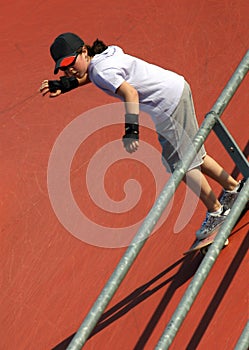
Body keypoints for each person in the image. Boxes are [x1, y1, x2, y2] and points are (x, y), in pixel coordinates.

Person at [40, 32, 244, 240]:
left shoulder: (101, 71)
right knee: (191, 153)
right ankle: (233, 188)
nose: (69, 70)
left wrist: (131, 130)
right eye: (64, 68)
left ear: (83, 51)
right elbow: (97, 76)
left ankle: (216, 211)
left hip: (167, 105)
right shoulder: (102, 58)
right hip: (176, 90)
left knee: (180, 165)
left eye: (70, 63)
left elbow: (131, 94)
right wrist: (68, 84)